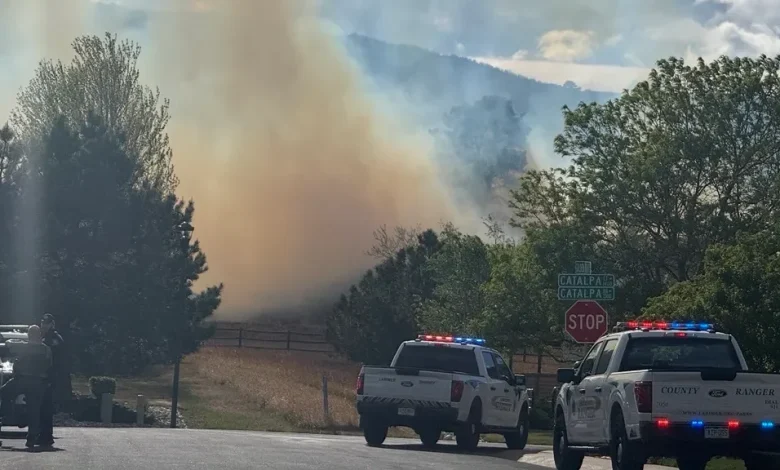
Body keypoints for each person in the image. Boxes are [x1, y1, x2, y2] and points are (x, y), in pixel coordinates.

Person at [13, 325, 52, 449]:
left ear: (29, 335)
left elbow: (16, 364)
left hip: (22, 381)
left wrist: (16, 376)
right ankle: (31, 437)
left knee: (3, 393)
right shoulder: (46, 350)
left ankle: (6, 417)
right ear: (39, 334)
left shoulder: (24, 348)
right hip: (38, 383)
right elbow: (50, 366)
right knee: (34, 410)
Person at [39, 313, 64, 447]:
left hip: (50, 378)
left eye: (47, 323)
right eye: (43, 322)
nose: (44, 325)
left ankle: (46, 436)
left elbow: (54, 362)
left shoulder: (54, 339)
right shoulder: (44, 337)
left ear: (52, 324)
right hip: (44, 378)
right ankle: (43, 434)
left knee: (46, 408)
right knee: (42, 407)